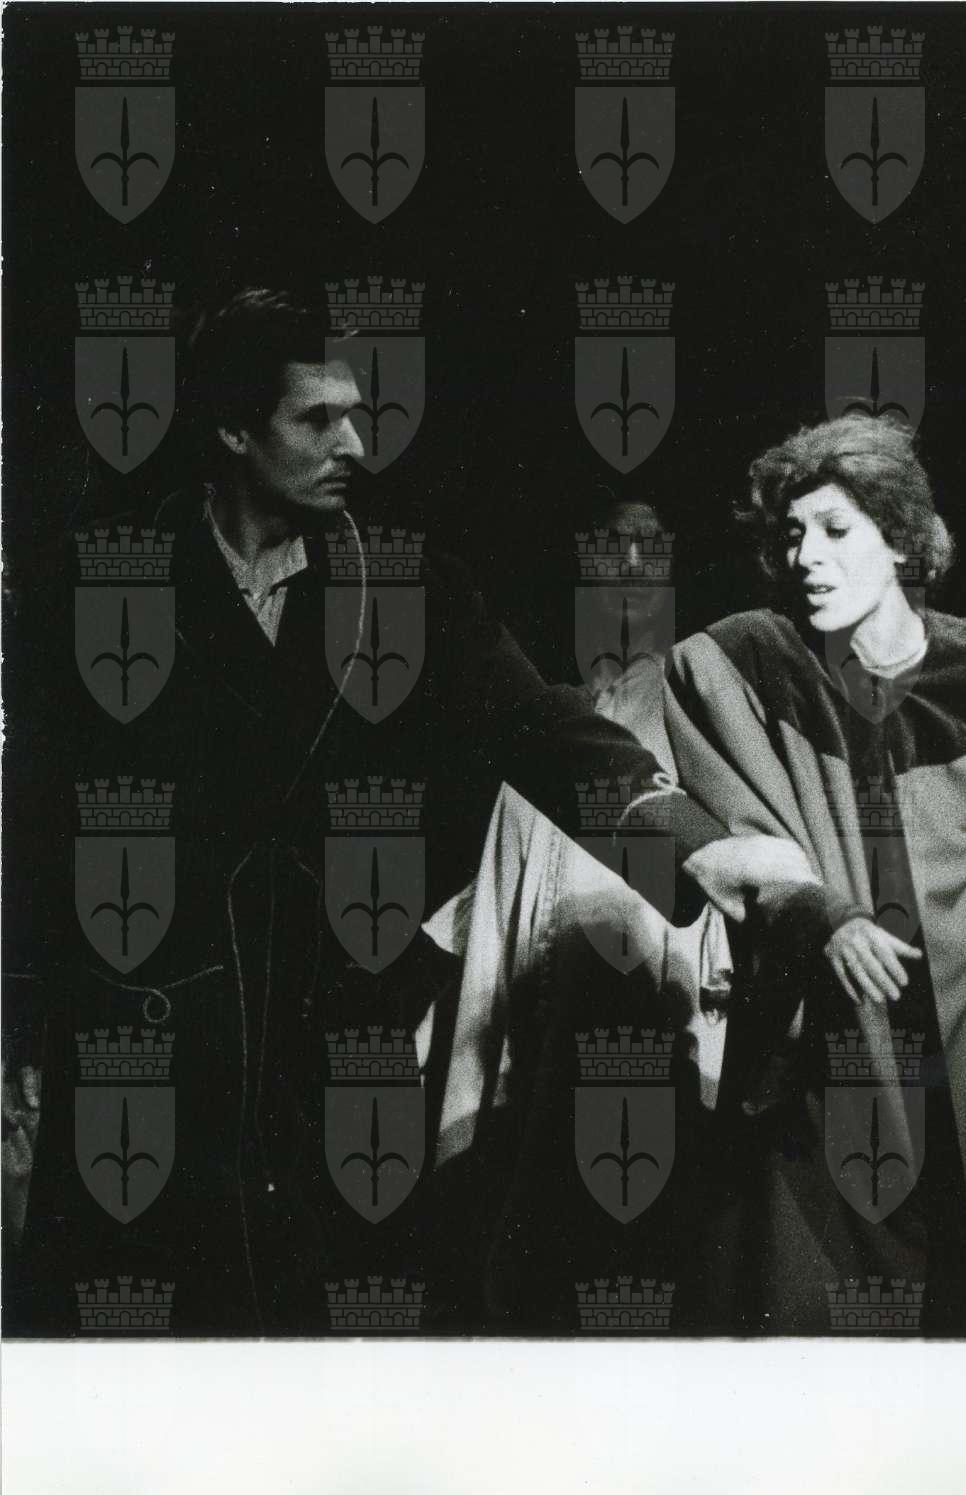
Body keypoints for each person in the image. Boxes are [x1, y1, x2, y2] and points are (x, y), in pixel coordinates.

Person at [0, 287, 803, 1333]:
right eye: (317, 419)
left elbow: (545, 729)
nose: (355, 444)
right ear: (233, 428)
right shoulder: (93, 584)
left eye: (358, 413)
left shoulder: (406, 588)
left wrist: (694, 849)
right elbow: (26, 825)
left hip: (327, 1064)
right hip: (145, 1054)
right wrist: (17, 1029)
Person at [659, 413, 966, 1335]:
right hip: (825, 1042)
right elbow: (748, 847)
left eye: (835, 529)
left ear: (899, 540)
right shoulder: (744, 668)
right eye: (792, 533)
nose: (806, 556)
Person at [414, 493, 738, 1329]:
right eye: (609, 547)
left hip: (659, 1020)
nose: (628, 566)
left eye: (648, 547)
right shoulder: (547, 722)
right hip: (547, 1033)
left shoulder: (701, 711)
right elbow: (496, 898)